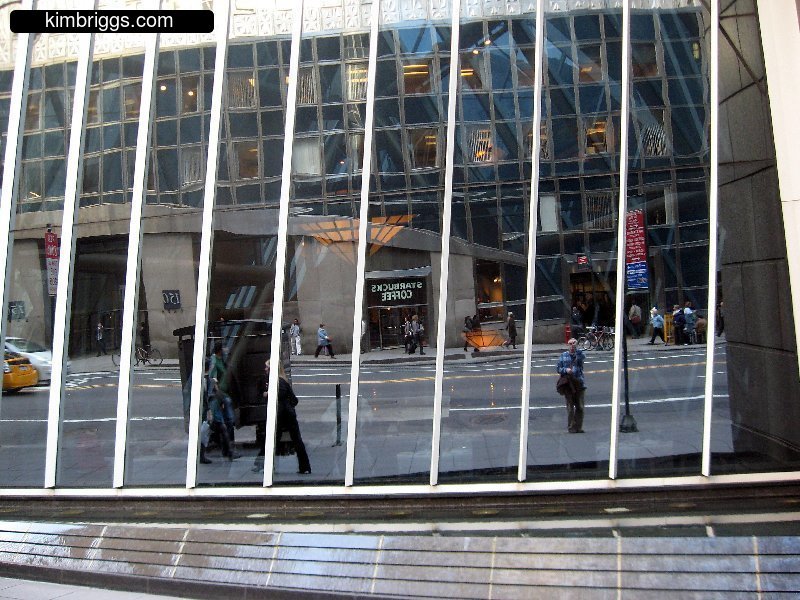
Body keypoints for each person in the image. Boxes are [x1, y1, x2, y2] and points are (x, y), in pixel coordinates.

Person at [259, 360, 311, 474]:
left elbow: (279, 396)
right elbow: (294, 400)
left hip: (280, 415)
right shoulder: (283, 381)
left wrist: (268, 394)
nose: (265, 369)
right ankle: (305, 466)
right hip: (289, 414)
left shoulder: (277, 382)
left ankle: (265, 465)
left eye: (267, 367)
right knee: (297, 440)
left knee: (273, 440)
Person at [207, 342, 237, 448]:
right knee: (229, 419)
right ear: (220, 350)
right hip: (221, 396)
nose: (226, 350)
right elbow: (213, 379)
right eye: (224, 348)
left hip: (225, 394)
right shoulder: (214, 361)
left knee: (222, 420)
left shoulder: (222, 360)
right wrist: (220, 395)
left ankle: (219, 441)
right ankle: (228, 445)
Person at [556, 338, 586, 433]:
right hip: (569, 385)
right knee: (570, 407)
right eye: (570, 344)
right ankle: (571, 427)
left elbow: (582, 357)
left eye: (573, 343)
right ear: (567, 345)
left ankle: (578, 426)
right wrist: (566, 370)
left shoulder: (579, 355)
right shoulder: (563, 356)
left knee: (580, 406)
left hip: (579, 383)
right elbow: (558, 368)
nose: (572, 345)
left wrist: (577, 348)